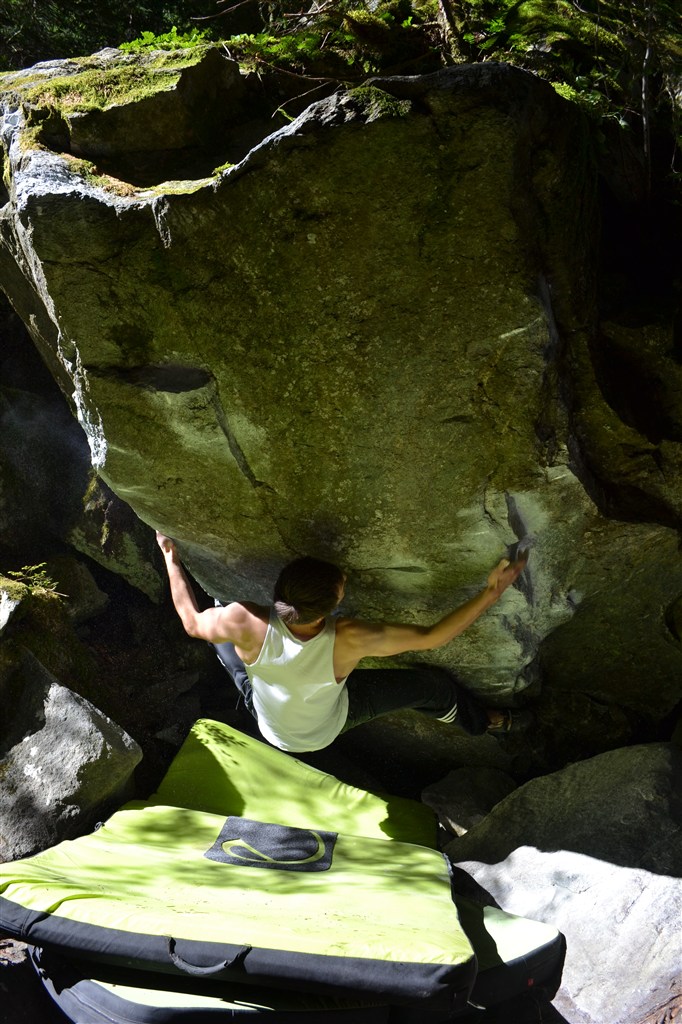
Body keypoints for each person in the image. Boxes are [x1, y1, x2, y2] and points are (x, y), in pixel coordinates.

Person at [156, 532, 529, 753]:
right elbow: (432, 637)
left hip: (268, 720)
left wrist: (171, 559)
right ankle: (486, 722)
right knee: (433, 689)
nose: (345, 579)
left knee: (223, 633)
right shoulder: (347, 638)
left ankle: (240, 669)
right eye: (342, 586)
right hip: (325, 729)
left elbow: (191, 622)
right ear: (329, 610)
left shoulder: (244, 619)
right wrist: (491, 593)